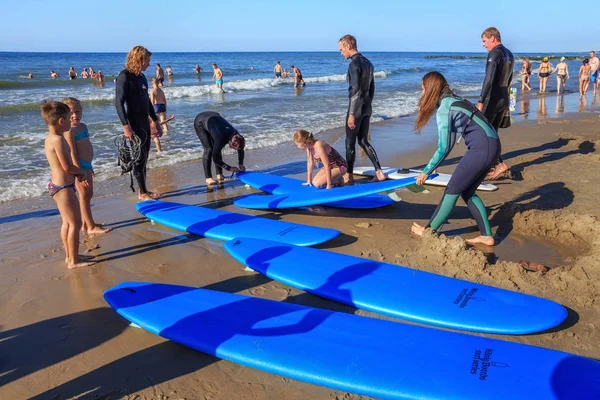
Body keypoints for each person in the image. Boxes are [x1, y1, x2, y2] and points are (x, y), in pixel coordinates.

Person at [411, 72, 500, 247]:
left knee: (452, 189)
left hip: (481, 149)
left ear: (430, 89)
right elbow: (449, 143)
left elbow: (444, 147)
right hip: (493, 145)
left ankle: (429, 231)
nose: (422, 94)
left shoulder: (445, 107)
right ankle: (486, 236)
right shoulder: (454, 100)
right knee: (467, 192)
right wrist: (435, 164)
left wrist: (426, 171)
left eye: (423, 90)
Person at [42, 101, 95, 269]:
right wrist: (81, 172)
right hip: (63, 188)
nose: (71, 119)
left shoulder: (50, 138)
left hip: (59, 186)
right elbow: (66, 166)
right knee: (75, 224)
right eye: (67, 117)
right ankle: (73, 261)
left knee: (67, 222)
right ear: (61, 121)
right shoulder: (58, 140)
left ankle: (70, 255)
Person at [115, 45, 163, 201]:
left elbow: (147, 102)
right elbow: (118, 103)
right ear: (139, 59)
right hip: (134, 124)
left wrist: (155, 121)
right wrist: (126, 127)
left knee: (144, 158)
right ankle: (142, 193)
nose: (149, 64)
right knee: (138, 159)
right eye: (147, 61)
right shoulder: (125, 76)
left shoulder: (141, 77)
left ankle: (144, 190)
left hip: (144, 123)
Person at [337, 34, 384, 183]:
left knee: (349, 142)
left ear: (348, 46)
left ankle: (349, 176)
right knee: (363, 141)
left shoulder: (353, 65)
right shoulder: (368, 63)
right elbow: (372, 88)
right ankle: (379, 172)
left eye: (341, 49)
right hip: (366, 108)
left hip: (356, 109)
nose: (341, 53)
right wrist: (368, 107)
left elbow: (355, 91)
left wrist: (351, 114)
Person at [62, 97, 112, 236]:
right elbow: (73, 153)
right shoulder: (69, 131)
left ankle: (87, 223)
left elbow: (87, 147)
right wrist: (79, 172)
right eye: (70, 113)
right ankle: (90, 226)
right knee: (84, 196)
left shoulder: (83, 126)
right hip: (80, 168)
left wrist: (90, 167)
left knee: (89, 194)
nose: (74, 115)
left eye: (77, 111)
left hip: (87, 166)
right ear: (64, 115)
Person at [476, 27, 513, 181]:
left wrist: (481, 100)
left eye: (484, 41)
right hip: (504, 97)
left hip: (493, 100)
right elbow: (509, 78)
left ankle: (498, 164)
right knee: (493, 134)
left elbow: (489, 79)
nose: (484, 45)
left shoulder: (494, 53)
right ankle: (494, 164)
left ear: (492, 38)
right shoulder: (509, 53)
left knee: (482, 133)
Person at [193, 111, 245, 185]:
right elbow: (215, 158)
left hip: (214, 117)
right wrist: (229, 168)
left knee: (217, 148)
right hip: (200, 121)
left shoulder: (237, 135)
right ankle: (208, 178)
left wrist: (241, 163)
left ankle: (219, 174)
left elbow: (240, 148)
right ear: (230, 143)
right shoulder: (221, 138)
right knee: (209, 149)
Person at [150, 77, 169, 151]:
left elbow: (152, 101)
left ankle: (156, 134)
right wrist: (165, 107)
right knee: (163, 121)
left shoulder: (153, 90)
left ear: (152, 83)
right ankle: (167, 133)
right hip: (162, 105)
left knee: (155, 122)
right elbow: (164, 100)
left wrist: (150, 110)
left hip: (156, 106)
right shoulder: (161, 90)